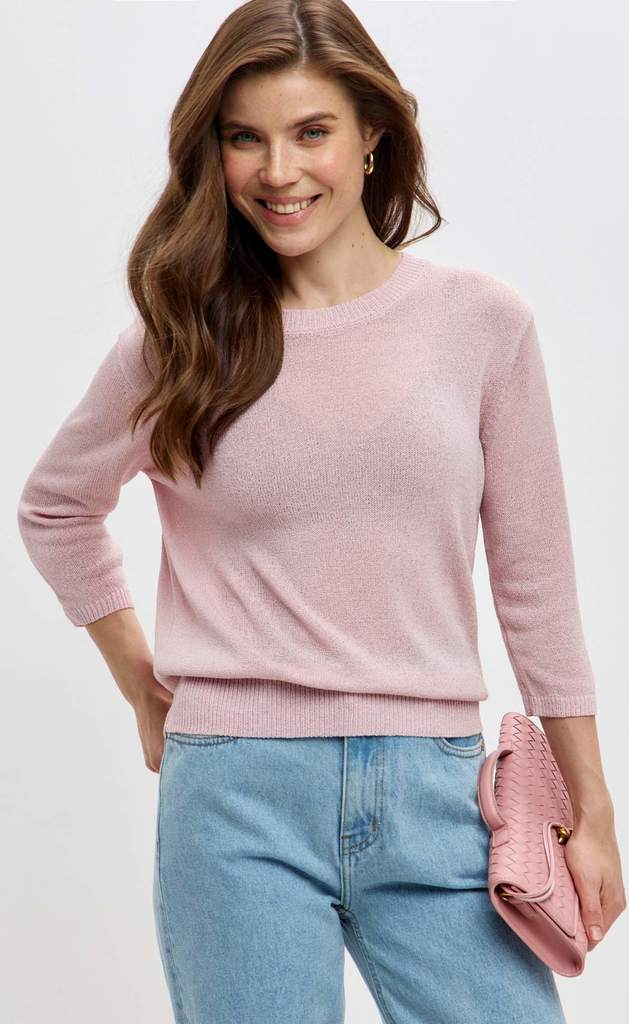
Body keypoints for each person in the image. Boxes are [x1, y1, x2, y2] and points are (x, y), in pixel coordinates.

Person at [17, 1, 625, 1021]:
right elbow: (55, 507)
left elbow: (535, 585)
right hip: (234, 800)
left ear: (371, 134)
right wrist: (139, 682)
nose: (277, 171)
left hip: (439, 795)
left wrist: (590, 806)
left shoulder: (480, 326)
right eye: (243, 138)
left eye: (310, 132)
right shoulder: (180, 338)